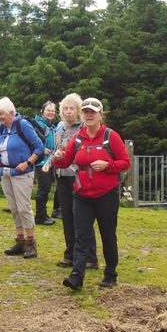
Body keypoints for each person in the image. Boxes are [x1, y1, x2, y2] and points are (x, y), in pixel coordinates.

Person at [54, 97, 130, 290]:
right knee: (81, 235)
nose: (88, 115)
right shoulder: (78, 137)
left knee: (107, 234)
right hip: (82, 195)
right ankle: (77, 276)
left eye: (92, 112)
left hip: (106, 194)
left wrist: (108, 165)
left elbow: (125, 162)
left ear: (100, 115)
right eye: (85, 112)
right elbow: (64, 162)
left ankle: (110, 274)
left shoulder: (110, 136)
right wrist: (59, 158)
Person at [43, 93, 98, 269]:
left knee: (81, 218)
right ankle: (70, 253)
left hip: (79, 177)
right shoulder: (59, 127)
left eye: (72, 108)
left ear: (78, 111)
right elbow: (56, 150)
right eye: (65, 108)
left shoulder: (84, 127)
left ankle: (90, 257)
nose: (68, 112)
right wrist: (49, 163)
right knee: (66, 216)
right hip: (62, 176)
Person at [0, 97, 45, 259]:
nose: (0, 117)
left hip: (22, 173)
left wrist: (28, 162)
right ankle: (20, 241)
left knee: (24, 207)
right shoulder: (2, 128)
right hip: (6, 173)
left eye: (2, 114)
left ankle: (30, 243)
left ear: (12, 113)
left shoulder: (23, 125)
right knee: (14, 208)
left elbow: (39, 147)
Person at [34, 101, 58, 225]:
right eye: (48, 110)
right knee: (43, 188)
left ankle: (43, 214)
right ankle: (40, 216)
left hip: (49, 161)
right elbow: (33, 140)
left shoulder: (52, 126)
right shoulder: (39, 125)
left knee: (46, 188)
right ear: (43, 111)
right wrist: (42, 149)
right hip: (41, 161)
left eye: (53, 111)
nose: (51, 113)